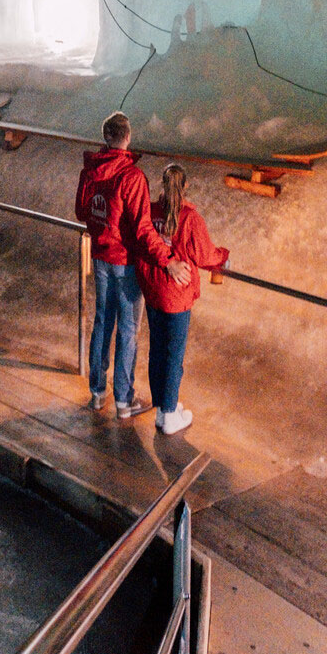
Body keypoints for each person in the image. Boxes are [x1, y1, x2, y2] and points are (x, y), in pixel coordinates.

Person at [75, 112, 169, 419]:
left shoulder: (90, 171)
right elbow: (142, 229)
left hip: (100, 255)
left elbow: (81, 211)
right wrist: (166, 259)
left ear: (106, 137)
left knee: (103, 321)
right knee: (128, 329)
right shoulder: (132, 177)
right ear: (127, 138)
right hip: (125, 261)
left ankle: (97, 394)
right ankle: (124, 401)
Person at [137, 164, 229, 436]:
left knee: (158, 348)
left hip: (153, 288)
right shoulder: (189, 218)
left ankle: (166, 405)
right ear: (185, 186)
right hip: (175, 294)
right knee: (173, 354)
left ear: (162, 186)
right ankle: (168, 416)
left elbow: (146, 241)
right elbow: (204, 255)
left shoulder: (152, 212)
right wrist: (223, 255)